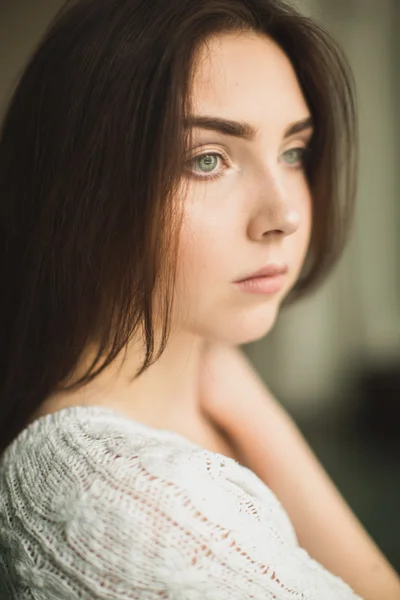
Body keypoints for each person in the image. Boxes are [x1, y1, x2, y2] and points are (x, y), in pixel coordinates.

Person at [0, 0, 399, 598]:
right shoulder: (118, 498)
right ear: (83, 183)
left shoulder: (210, 395)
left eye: (294, 153)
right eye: (207, 159)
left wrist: (254, 415)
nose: (285, 214)